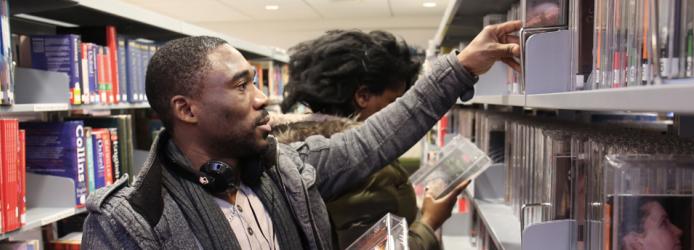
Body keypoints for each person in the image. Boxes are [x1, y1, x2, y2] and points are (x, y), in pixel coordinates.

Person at [81, 20, 522, 250]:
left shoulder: (288, 170)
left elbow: (376, 138)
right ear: (186, 109)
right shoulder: (131, 221)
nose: (263, 99)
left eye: (257, 81)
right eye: (241, 86)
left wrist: (464, 65)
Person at [273, 29, 466, 249]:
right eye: (395, 102)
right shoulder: (358, 169)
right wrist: (430, 222)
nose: (400, 112)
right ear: (363, 96)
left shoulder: (307, 147)